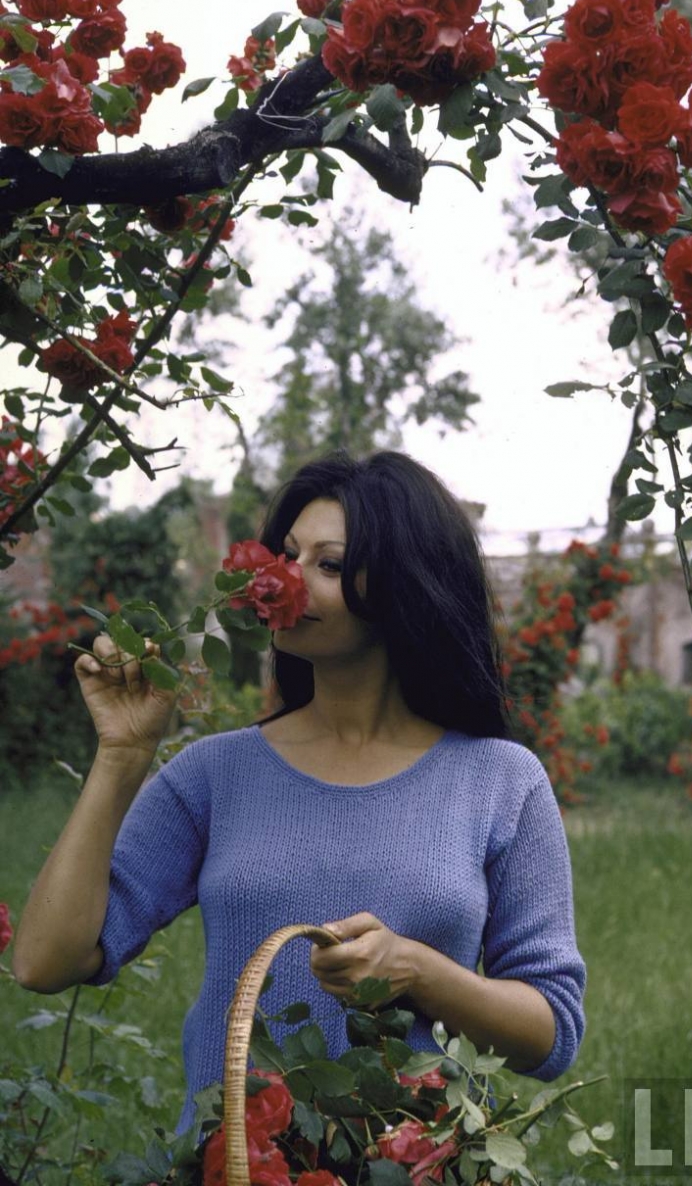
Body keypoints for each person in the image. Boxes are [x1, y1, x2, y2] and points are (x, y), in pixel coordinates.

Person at [13, 450, 586, 1134]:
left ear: (408, 583)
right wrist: (121, 756)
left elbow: (552, 1037)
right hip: (232, 1167)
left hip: (415, 1168)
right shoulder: (214, 775)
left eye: (330, 564)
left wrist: (416, 970)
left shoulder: (500, 781)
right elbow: (46, 962)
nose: (287, 578)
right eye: (285, 555)